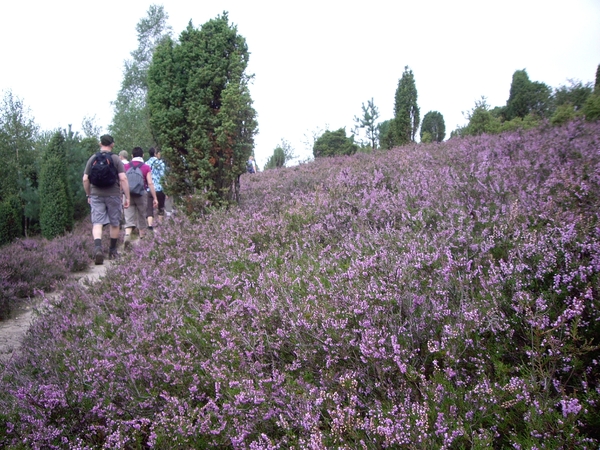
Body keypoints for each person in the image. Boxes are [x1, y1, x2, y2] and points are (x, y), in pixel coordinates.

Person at [83, 134, 130, 264]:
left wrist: (89, 194)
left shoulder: (93, 158)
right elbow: (123, 178)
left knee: (97, 223)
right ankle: (112, 251)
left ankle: (98, 248)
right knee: (114, 222)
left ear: (100, 144)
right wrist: (127, 196)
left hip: (96, 194)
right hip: (113, 194)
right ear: (112, 144)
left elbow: (85, 179)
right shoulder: (116, 159)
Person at [123, 147, 158, 250]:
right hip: (141, 194)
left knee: (128, 217)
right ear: (143, 155)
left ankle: (127, 236)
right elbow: (150, 183)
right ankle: (142, 238)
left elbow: (122, 181)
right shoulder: (146, 167)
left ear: (132, 156)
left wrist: (123, 194)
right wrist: (155, 197)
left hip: (128, 195)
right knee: (142, 216)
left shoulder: (125, 166)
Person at [145, 147, 167, 228]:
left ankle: (150, 225)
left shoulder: (146, 164)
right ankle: (160, 225)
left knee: (149, 208)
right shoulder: (161, 163)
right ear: (155, 153)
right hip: (160, 188)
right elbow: (163, 176)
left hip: (149, 189)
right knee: (161, 206)